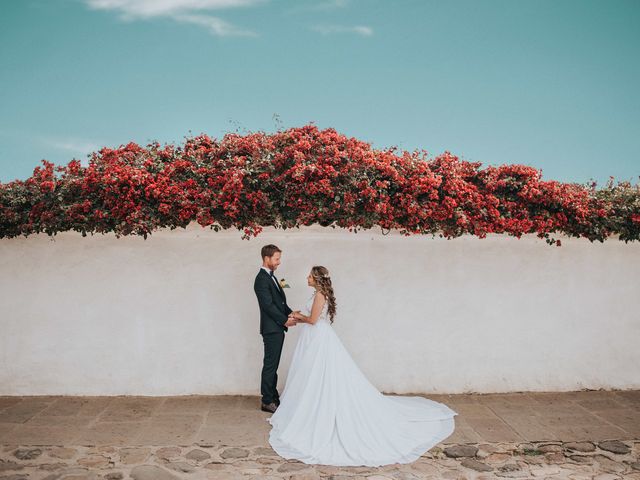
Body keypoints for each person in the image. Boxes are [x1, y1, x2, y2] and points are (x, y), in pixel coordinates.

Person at [265, 265, 459, 467]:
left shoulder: (320, 295)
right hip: (313, 338)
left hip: (318, 338)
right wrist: (297, 314)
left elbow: (313, 320)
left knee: (320, 374)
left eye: (309, 276)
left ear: (316, 278)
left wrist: (297, 317)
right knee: (310, 374)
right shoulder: (317, 293)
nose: (307, 278)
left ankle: (318, 408)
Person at [254, 244, 298, 414]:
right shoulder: (261, 279)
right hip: (271, 328)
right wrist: (284, 320)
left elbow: (280, 303)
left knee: (274, 364)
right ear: (267, 259)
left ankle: (273, 396)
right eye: (277, 259)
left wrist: (291, 312)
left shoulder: (272, 277)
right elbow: (268, 306)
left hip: (277, 327)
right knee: (270, 365)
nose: (279, 262)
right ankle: (266, 400)